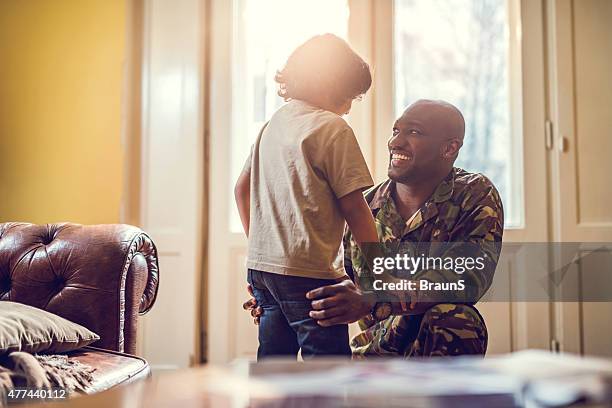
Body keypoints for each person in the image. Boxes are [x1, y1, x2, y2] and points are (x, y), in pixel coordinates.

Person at [244, 99, 504, 358]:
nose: (395, 142)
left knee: (457, 318)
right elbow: (332, 279)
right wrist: (281, 294)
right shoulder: (362, 205)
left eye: (414, 132)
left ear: (449, 149)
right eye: (395, 131)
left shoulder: (473, 194)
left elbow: (468, 278)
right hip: (372, 357)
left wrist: (376, 297)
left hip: (435, 348)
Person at [234, 34, 379, 360]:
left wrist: (263, 248)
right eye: (351, 96)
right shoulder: (333, 129)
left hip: (262, 272)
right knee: (326, 365)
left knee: (274, 361)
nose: (349, 107)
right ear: (333, 86)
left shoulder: (271, 126)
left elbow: (240, 190)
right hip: (311, 275)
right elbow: (356, 210)